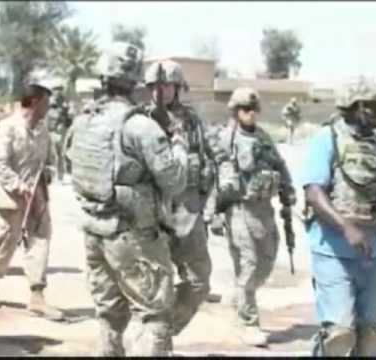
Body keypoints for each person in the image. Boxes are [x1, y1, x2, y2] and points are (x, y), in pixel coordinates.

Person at [67, 42, 188, 356]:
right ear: (135, 82)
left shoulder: (83, 121)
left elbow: (71, 167)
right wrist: (177, 143)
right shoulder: (139, 126)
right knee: (155, 315)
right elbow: (174, 183)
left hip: (94, 231)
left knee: (109, 315)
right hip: (132, 235)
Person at [300, 80, 376, 356]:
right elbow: (313, 192)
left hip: (374, 254)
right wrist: (347, 228)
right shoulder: (328, 139)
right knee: (338, 336)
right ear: (360, 107)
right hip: (333, 252)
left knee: (370, 337)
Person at [212, 87, 296, 347]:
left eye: (253, 109)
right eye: (245, 109)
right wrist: (214, 211)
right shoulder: (226, 138)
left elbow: (279, 165)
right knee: (249, 265)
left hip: (264, 209)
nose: (250, 114)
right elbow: (214, 175)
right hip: (239, 209)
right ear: (236, 111)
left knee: (267, 261)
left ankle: (241, 296)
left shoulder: (263, 137)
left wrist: (288, 191)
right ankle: (247, 322)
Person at [143, 59, 214, 339]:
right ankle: (150, 341)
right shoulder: (141, 121)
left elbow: (207, 160)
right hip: (151, 214)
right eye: (155, 86)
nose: (160, 91)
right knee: (152, 287)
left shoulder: (191, 120)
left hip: (188, 211)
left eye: (166, 85)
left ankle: (165, 332)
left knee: (198, 282)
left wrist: (209, 203)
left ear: (177, 87)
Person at [0, 72, 62, 320]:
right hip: (11, 196)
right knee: (5, 243)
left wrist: (47, 173)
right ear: (35, 101)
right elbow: (0, 164)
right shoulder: (7, 129)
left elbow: (51, 159)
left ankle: (37, 296)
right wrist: (18, 185)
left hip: (37, 196)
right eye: (47, 102)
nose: (49, 108)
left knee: (40, 240)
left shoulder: (43, 130)